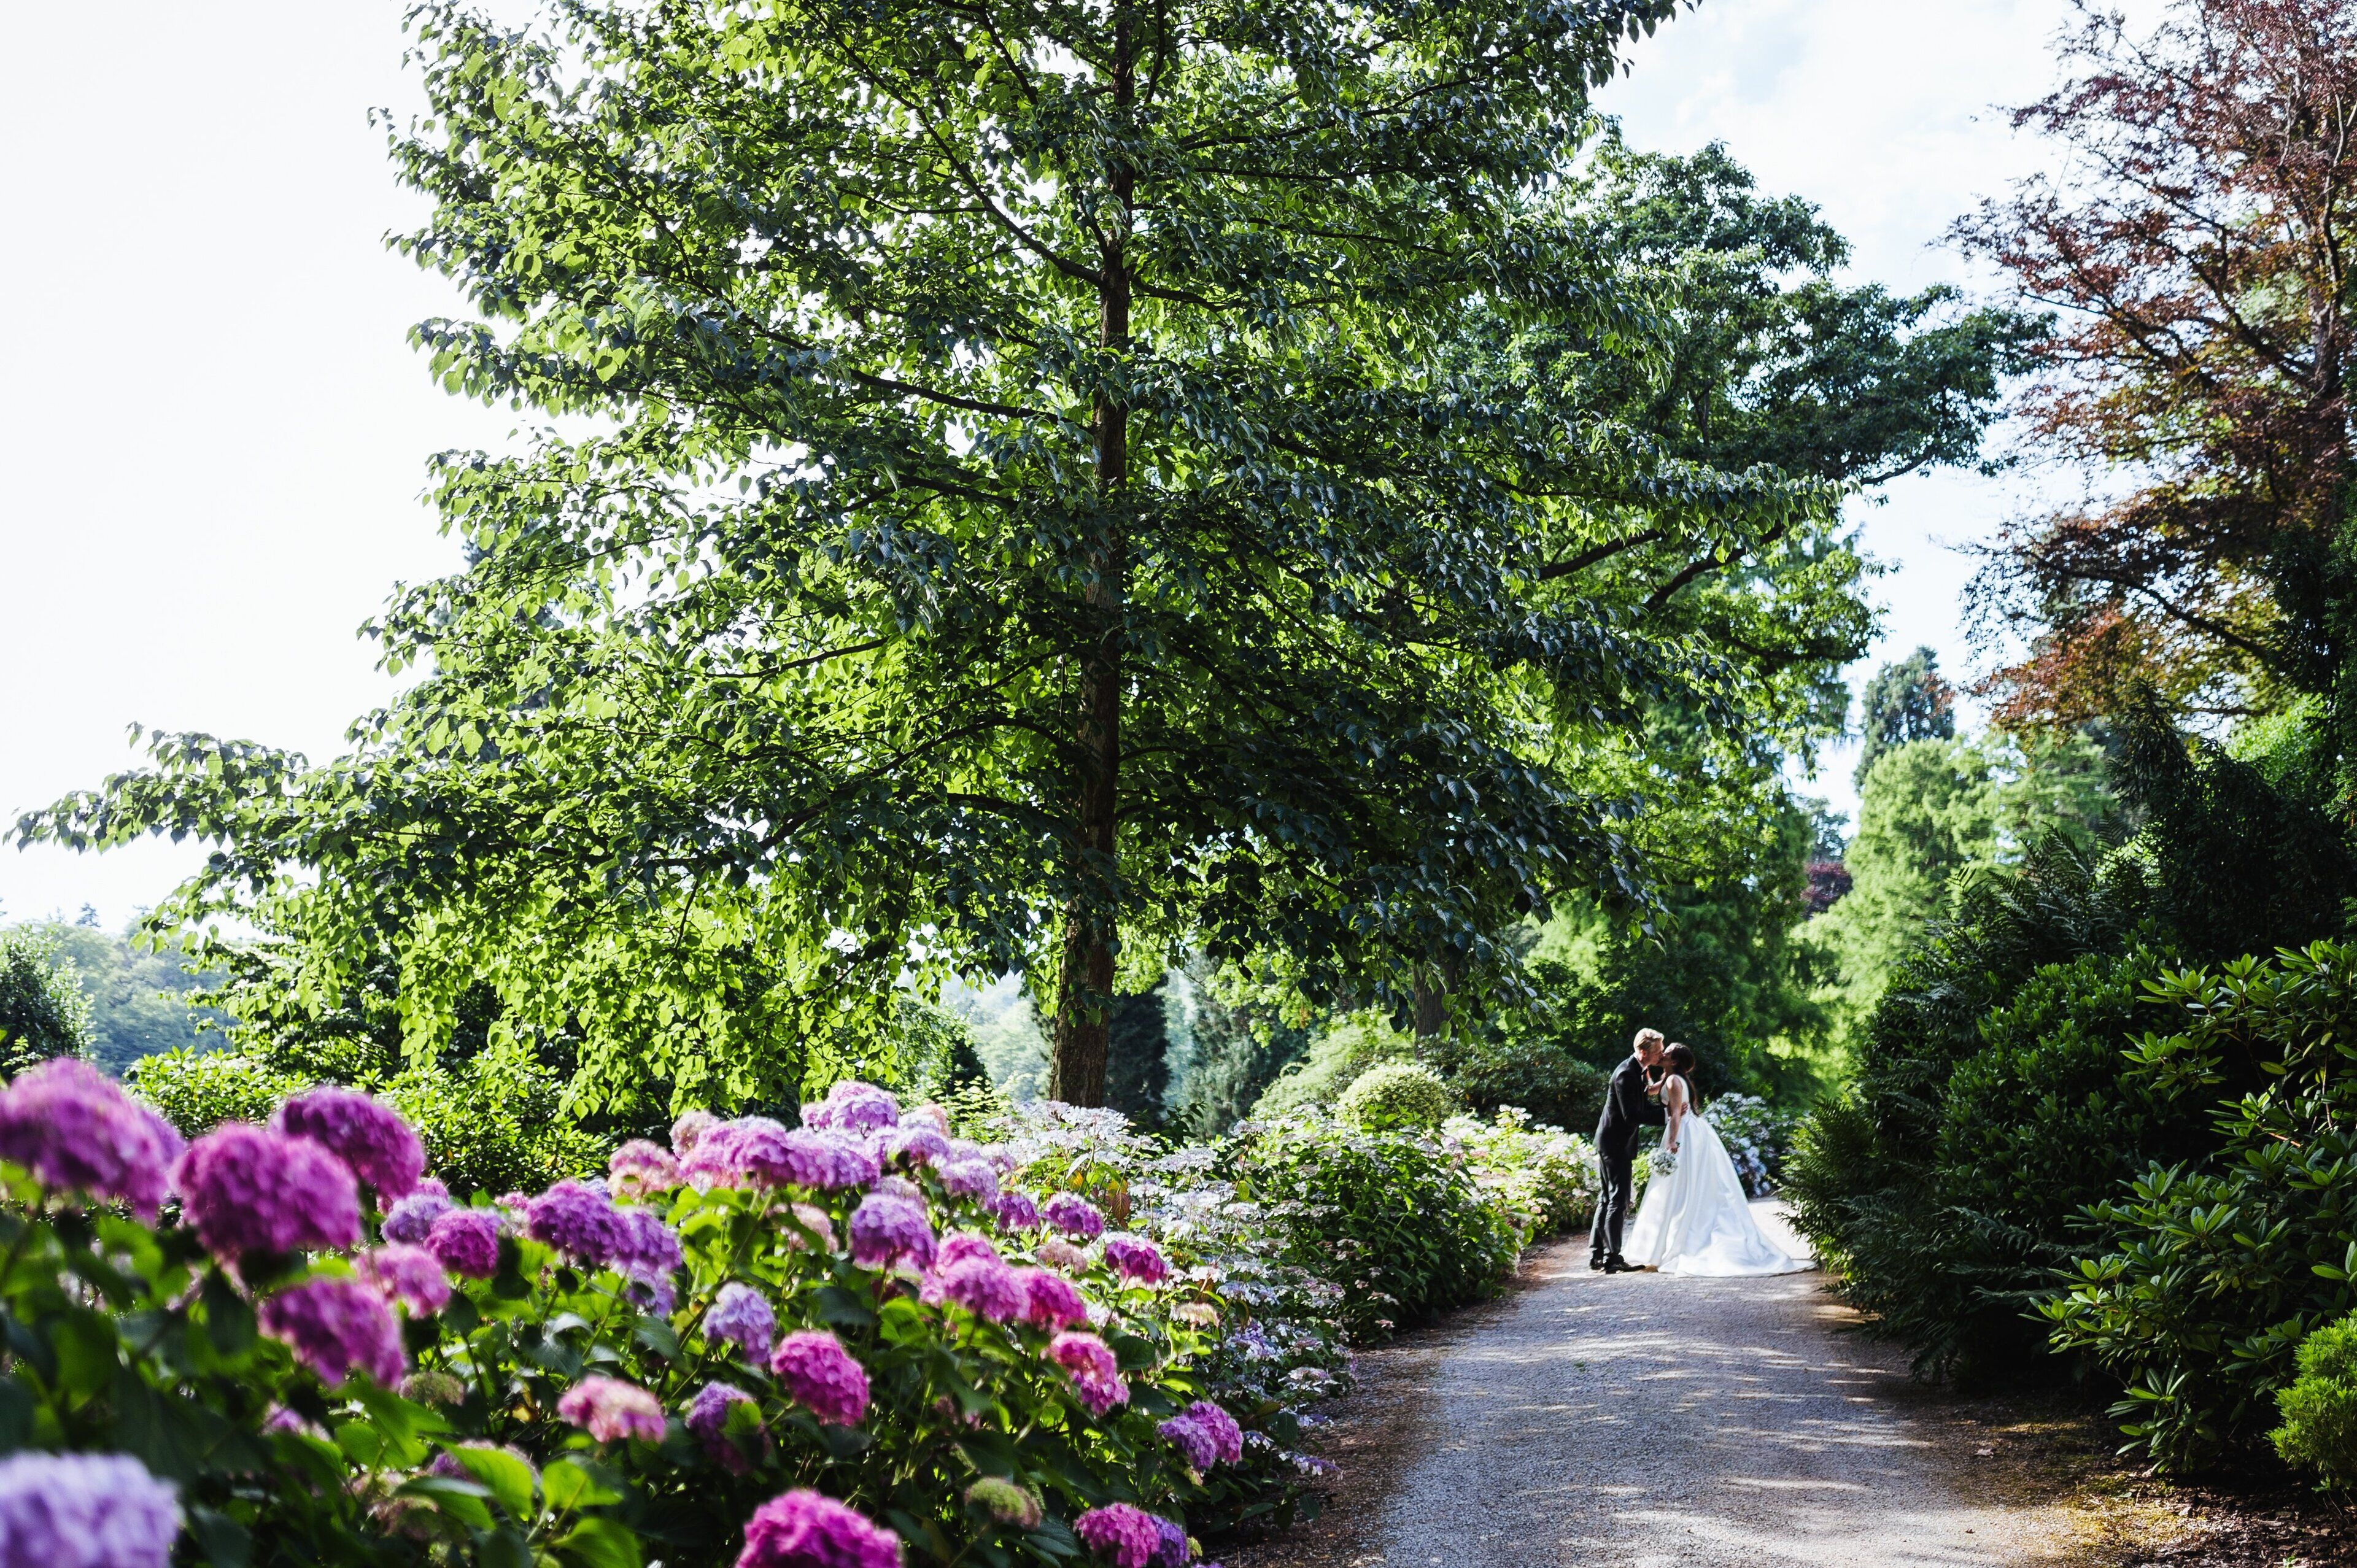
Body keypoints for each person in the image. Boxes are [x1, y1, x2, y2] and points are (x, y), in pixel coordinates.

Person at [1622, 1043, 1807, 1276]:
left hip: (1683, 1133)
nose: (1663, 1054)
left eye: (1667, 1053)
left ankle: (1679, 1238)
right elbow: (1650, 1091)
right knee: (1683, 1186)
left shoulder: (1673, 1081)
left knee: (1682, 1185)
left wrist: (1672, 1141)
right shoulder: (1670, 1078)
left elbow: (1677, 1114)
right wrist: (1646, 1072)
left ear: (1675, 1061)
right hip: (1691, 1130)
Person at [1590, 1027, 1666, 1273]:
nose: (1661, 1055)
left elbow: (1641, 1104)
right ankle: (1613, 1258)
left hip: (1613, 1142)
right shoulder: (1625, 1074)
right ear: (1643, 1052)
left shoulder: (1638, 1071)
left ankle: (1596, 1255)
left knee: (1607, 1198)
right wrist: (1668, 1115)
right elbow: (1632, 1116)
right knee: (1618, 1200)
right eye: (1658, 1051)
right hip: (1615, 1144)